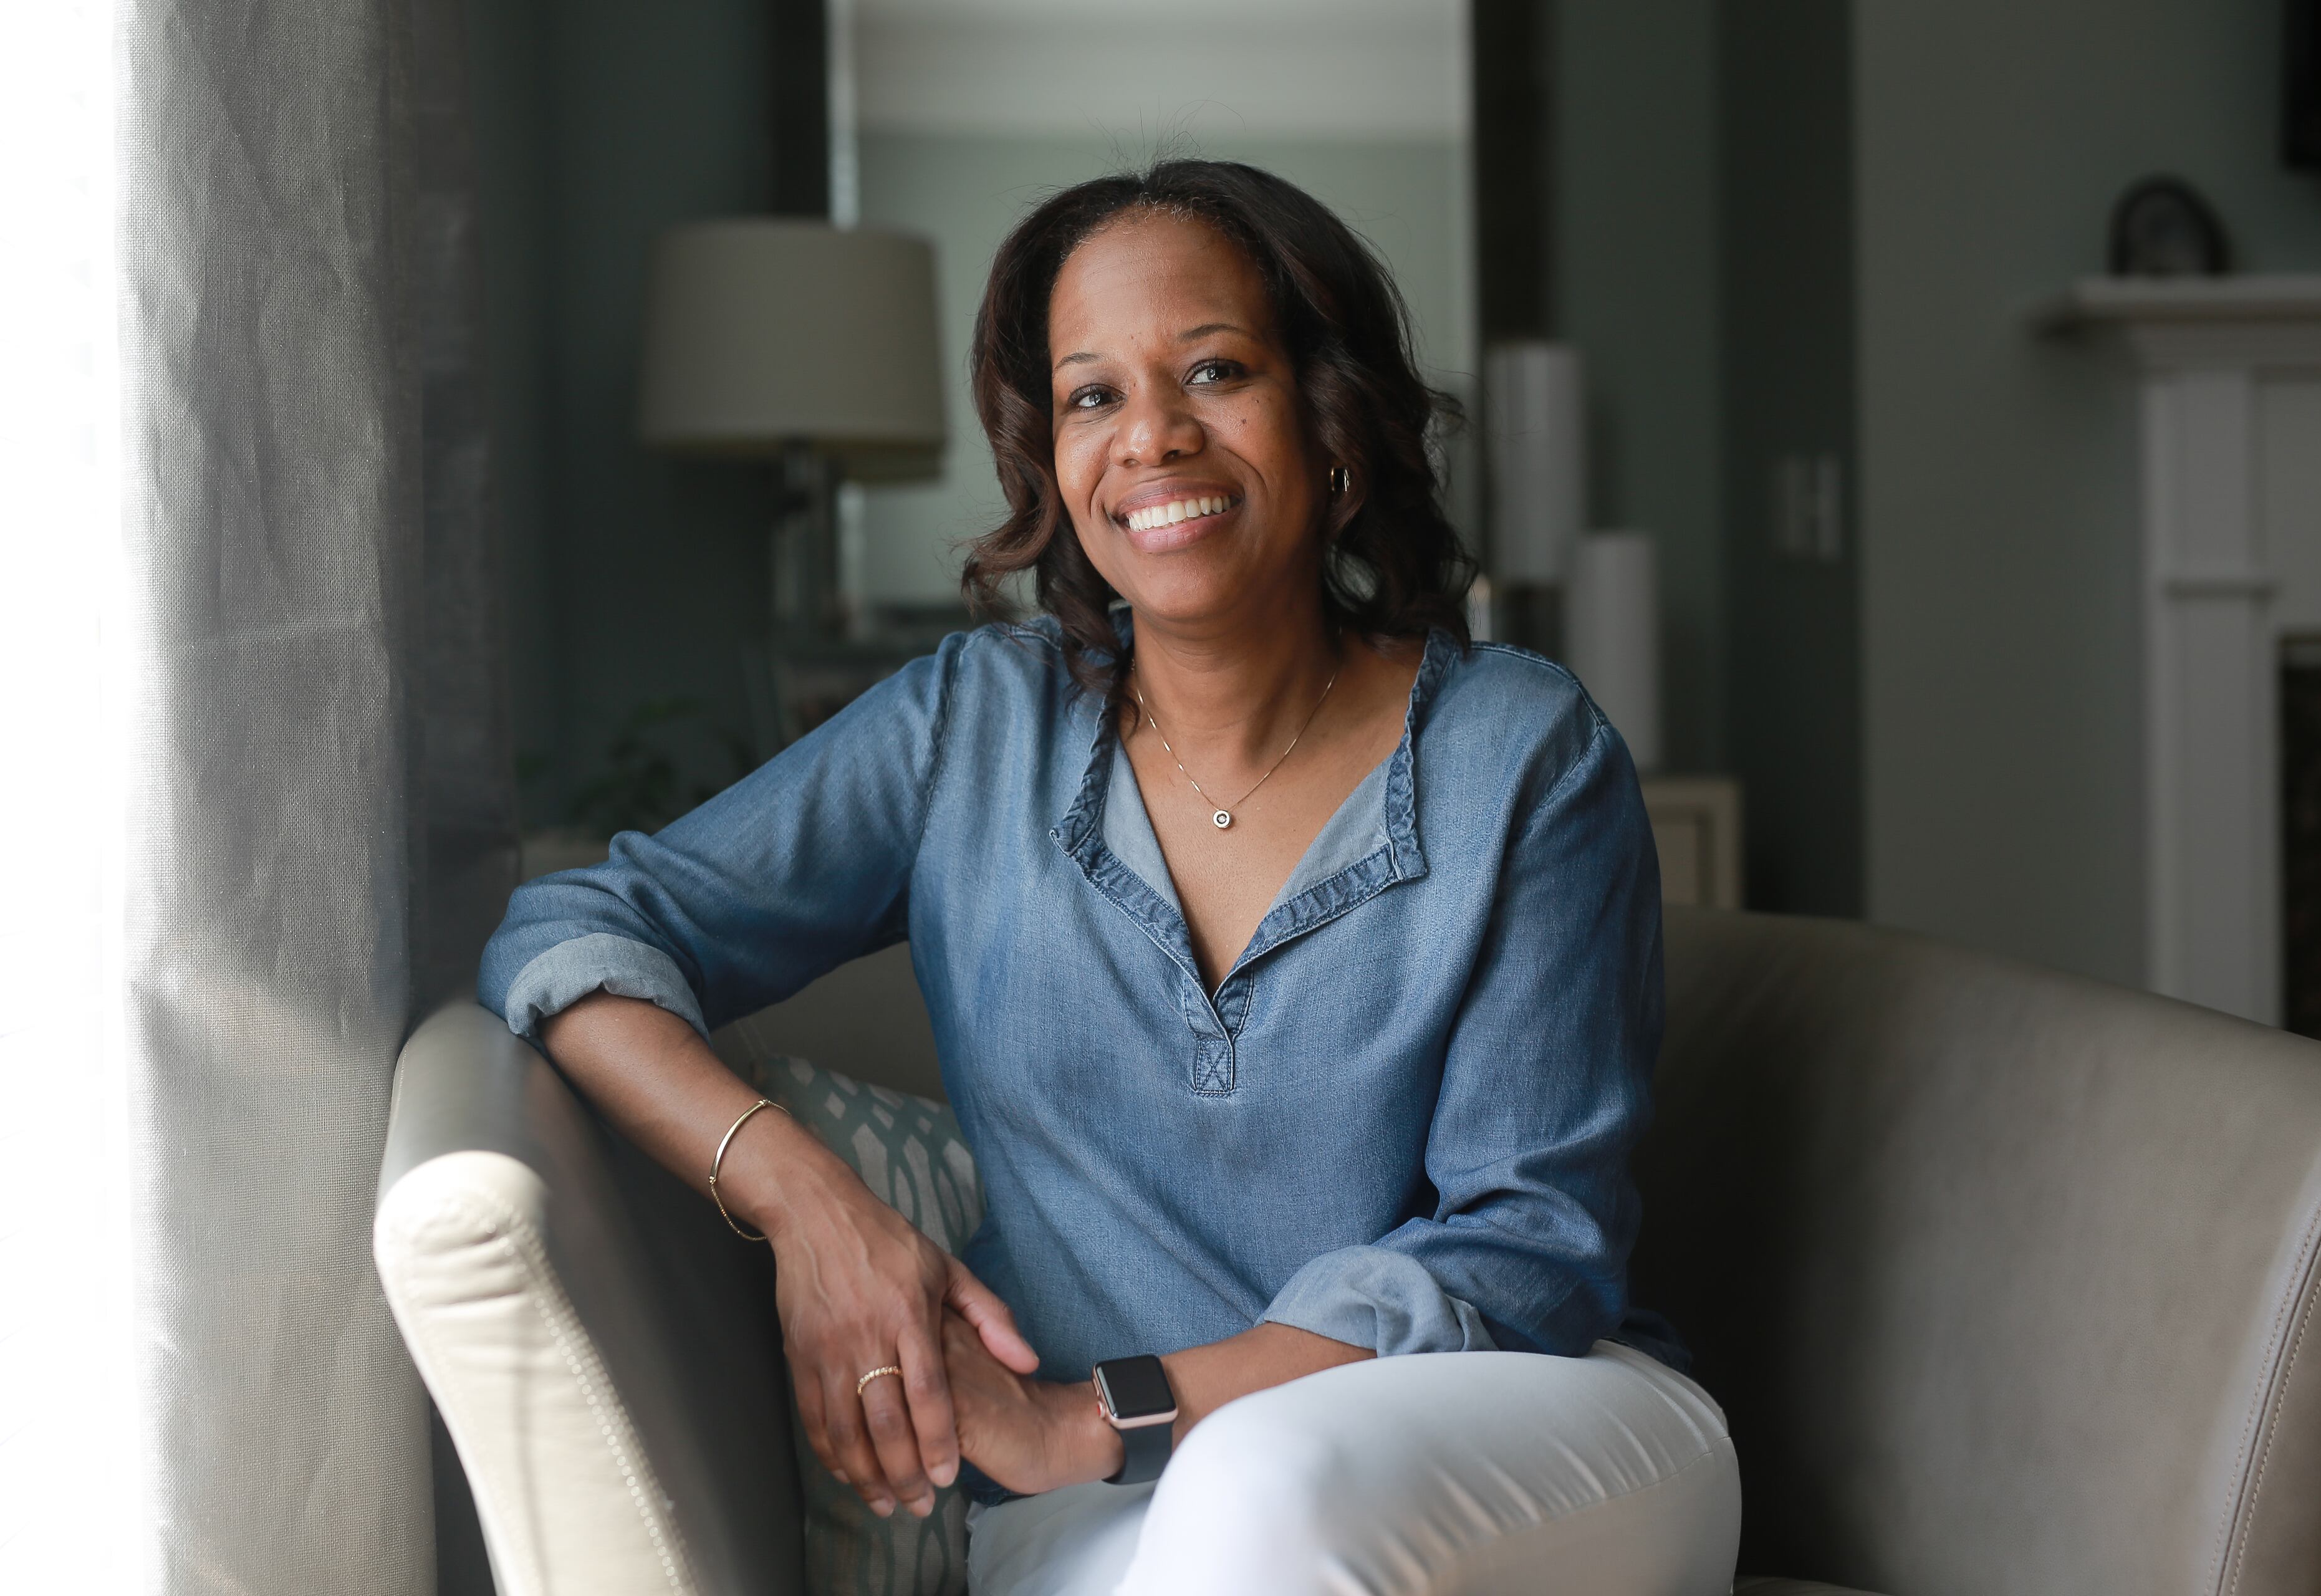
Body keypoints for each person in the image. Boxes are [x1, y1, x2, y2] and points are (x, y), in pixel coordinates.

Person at [480, 159, 1738, 1595]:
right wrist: (806, 1201)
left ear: (1330, 421)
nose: (1153, 436)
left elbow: (1529, 1247)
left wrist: (1090, 1415)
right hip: (1102, 1509)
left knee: (1255, 1487)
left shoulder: (1521, 751)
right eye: (1093, 395)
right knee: (1223, 1524)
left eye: (1216, 370)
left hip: (1520, 1430)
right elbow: (574, 931)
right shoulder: (971, 730)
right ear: (1052, 460)